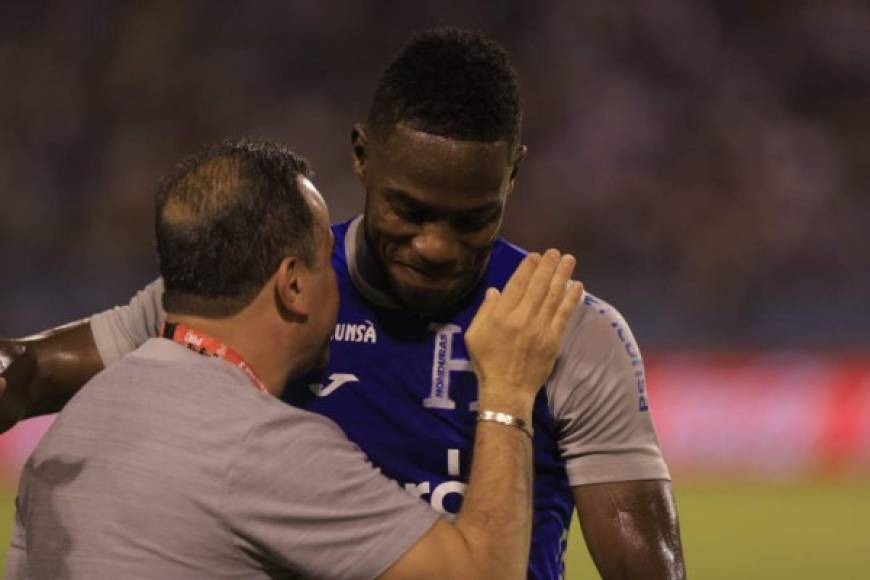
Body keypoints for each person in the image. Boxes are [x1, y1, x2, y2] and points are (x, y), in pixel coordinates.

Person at [0, 28, 685, 578]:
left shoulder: (566, 333)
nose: (437, 247)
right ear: (362, 157)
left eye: (473, 218)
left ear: (513, 175)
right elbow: (28, 371)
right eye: (409, 211)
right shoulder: (258, 291)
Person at [5, 138, 582, 579]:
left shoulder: (76, 424)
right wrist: (507, 390)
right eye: (326, 261)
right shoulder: (264, 448)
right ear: (293, 286)